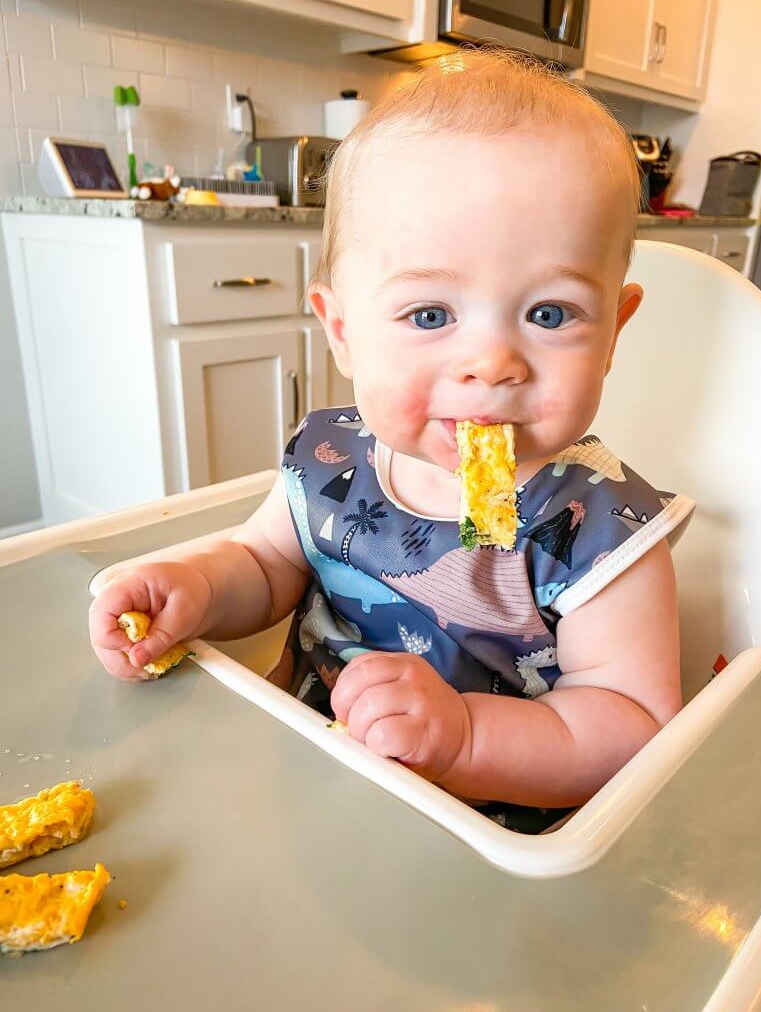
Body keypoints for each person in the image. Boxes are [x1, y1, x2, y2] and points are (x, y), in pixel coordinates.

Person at [90, 49, 694, 833]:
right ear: (341, 332)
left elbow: (634, 729)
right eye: (431, 315)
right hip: (302, 778)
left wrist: (466, 738)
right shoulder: (331, 456)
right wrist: (196, 588)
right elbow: (266, 564)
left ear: (614, 331)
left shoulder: (598, 529)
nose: (490, 365)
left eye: (549, 313)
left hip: (483, 837)